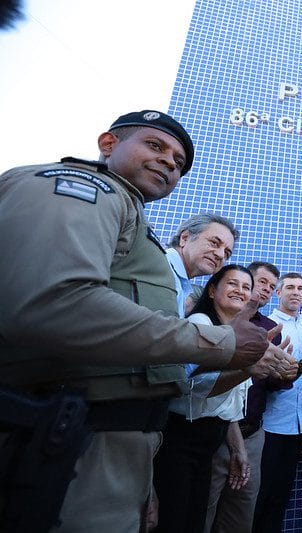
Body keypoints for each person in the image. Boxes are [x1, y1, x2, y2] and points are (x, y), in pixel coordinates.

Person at [0, 110, 272, 533]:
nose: (168, 162)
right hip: (62, 437)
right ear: (108, 144)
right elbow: (53, 303)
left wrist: (144, 483)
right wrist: (224, 344)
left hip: (120, 443)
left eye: (178, 162)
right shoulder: (82, 189)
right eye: (155, 145)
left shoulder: (132, 221)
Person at [154, 265, 288, 533]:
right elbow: (192, 389)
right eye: (233, 284)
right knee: (175, 519)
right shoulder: (200, 323)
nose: (241, 291)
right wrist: (247, 369)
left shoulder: (236, 333)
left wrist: (238, 449)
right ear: (212, 290)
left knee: (194, 520)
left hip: (210, 442)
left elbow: (228, 405)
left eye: (246, 287)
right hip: (181, 438)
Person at [205, 262, 295, 533]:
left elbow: (271, 382)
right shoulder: (210, 320)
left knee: (241, 514)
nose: (265, 289)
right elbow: (197, 384)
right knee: (202, 510)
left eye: (271, 285)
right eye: (261, 282)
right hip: (212, 430)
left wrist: (291, 371)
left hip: (252, 432)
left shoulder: (269, 328)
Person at [251, 272, 302, 532]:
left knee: (281, 496)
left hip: (298, 425)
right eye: (290, 287)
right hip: (268, 424)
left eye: (300, 288)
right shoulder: (268, 326)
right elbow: (261, 379)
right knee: (260, 495)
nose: (295, 292)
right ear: (278, 293)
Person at [167, 212, 239, 316]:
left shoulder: (181, 285)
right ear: (185, 238)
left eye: (226, 253)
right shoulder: (160, 267)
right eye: (214, 243)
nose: (220, 255)